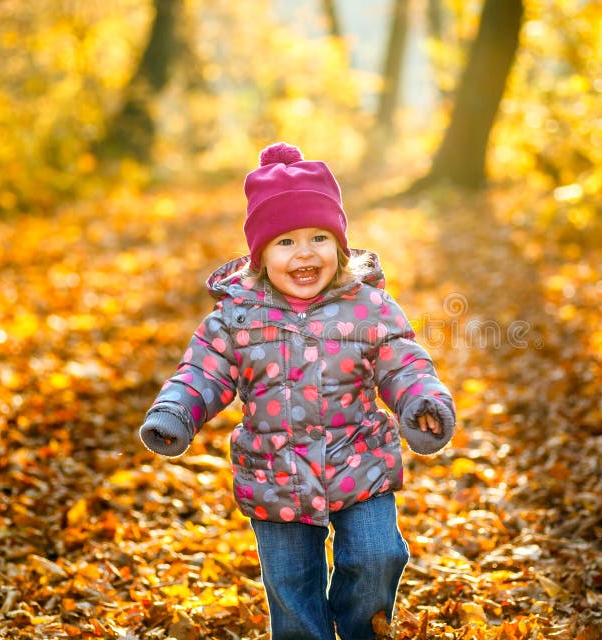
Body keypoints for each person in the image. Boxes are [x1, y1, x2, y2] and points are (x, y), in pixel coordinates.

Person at [138, 142, 455, 639]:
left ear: (340, 246)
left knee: (378, 556)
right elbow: (203, 372)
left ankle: (360, 629)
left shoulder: (369, 307)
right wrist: (176, 410)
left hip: (360, 462)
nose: (304, 252)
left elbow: (403, 361)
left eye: (318, 238)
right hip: (275, 472)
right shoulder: (237, 316)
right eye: (285, 242)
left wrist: (421, 400)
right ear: (260, 254)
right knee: (291, 586)